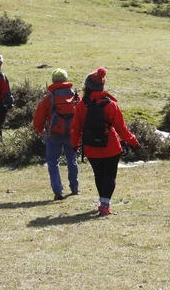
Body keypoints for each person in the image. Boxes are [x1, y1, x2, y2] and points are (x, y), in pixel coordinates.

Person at [70, 67, 141, 216]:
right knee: (110, 177)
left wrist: (74, 145)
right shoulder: (111, 105)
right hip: (111, 147)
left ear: (87, 86)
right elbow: (122, 129)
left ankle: (103, 203)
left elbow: (76, 129)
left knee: (99, 176)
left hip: (91, 148)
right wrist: (134, 142)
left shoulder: (82, 106)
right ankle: (104, 204)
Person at [33, 68, 79, 200]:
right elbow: (82, 114)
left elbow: (39, 117)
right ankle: (74, 188)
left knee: (53, 162)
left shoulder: (49, 98)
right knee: (72, 160)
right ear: (66, 80)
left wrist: (39, 129)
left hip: (54, 134)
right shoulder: (75, 96)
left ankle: (58, 191)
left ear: (53, 81)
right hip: (72, 133)